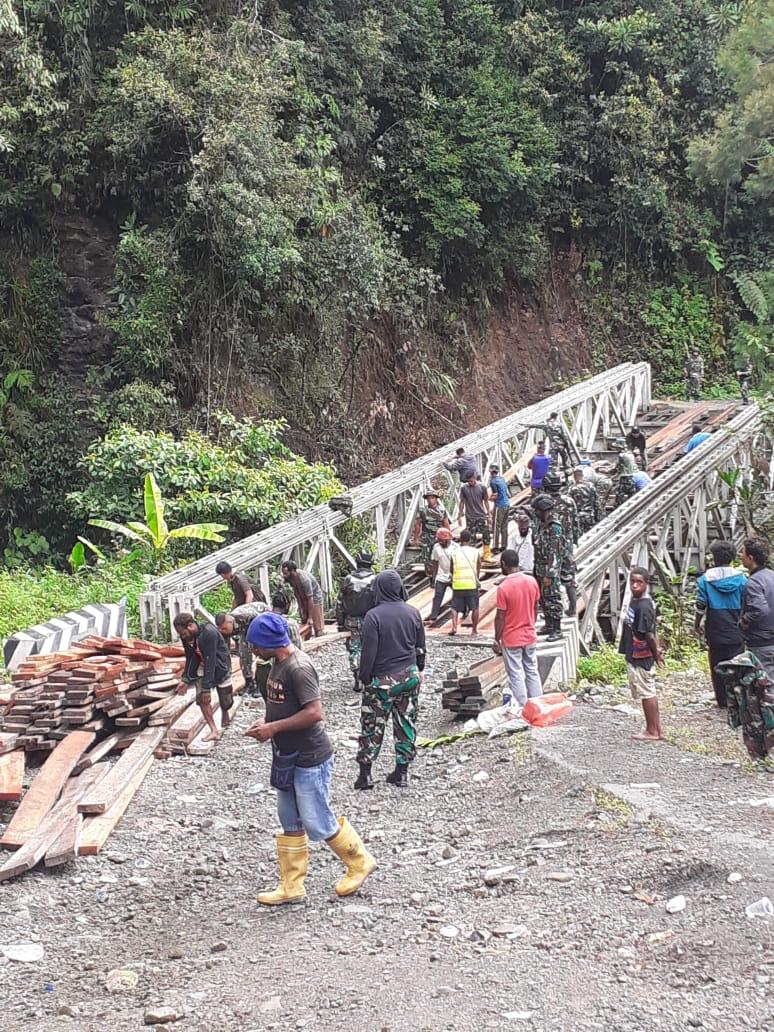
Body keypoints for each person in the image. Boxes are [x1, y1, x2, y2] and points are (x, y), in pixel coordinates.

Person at [244, 613, 375, 904]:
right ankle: (292, 886)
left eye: (256, 644)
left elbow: (315, 712)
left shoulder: (299, 667)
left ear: (270, 642)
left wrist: (273, 727)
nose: (252, 649)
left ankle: (359, 860)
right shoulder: (275, 664)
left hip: (309, 755)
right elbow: (283, 705)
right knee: (288, 817)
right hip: (286, 754)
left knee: (316, 820)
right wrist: (264, 721)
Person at [355, 571, 426, 790]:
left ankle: (365, 775)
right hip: (409, 676)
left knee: (372, 725)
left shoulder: (373, 616)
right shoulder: (413, 612)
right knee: (405, 722)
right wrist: (419, 669)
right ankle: (402, 772)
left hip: (382, 680)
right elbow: (420, 647)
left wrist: (364, 678)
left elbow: (368, 653)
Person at [694, 540, 747, 708]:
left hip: (715, 627)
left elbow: (701, 605)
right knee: (737, 663)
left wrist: (697, 624)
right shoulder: (742, 579)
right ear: (732, 558)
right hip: (736, 626)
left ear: (714, 558)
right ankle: (736, 698)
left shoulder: (705, 580)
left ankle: (722, 700)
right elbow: (746, 604)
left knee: (716, 663)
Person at [618, 567, 665, 741]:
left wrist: (657, 654)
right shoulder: (637, 600)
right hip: (635, 652)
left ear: (646, 584)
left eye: (640, 582)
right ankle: (655, 729)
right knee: (646, 690)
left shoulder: (644, 605)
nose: (635, 585)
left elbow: (650, 635)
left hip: (642, 655)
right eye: (632, 581)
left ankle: (652, 731)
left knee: (647, 691)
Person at [493, 549, 542, 711]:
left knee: (515, 673)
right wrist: (531, 624)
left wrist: (496, 638)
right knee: (532, 669)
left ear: (504, 565)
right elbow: (535, 607)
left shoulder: (504, 587)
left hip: (511, 637)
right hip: (529, 634)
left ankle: (523, 708)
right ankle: (538, 705)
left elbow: (500, 616)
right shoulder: (532, 581)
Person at [174, 612, 234, 742]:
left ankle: (225, 710)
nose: (182, 636)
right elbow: (190, 658)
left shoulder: (209, 632)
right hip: (202, 666)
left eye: (183, 633)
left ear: (190, 625)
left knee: (226, 700)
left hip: (220, 665)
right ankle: (213, 730)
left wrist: (207, 688)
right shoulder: (186, 638)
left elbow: (211, 660)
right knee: (202, 699)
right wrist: (185, 679)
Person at [535, 470, 579, 615]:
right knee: (568, 576)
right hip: (566, 545)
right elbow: (575, 522)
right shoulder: (569, 501)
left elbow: (537, 526)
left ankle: (551, 610)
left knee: (549, 578)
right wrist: (575, 539)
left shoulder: (543, 504)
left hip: (549, 546)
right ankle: (573, 607)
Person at [335, 551, 377, 691]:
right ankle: (369, 676)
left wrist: (340, 623)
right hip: (370, 619)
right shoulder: (374, 579)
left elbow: (339, 603)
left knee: (354, 648)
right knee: (371, 647)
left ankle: (357, 675)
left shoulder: (348, 579)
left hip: (351, 620)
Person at [215, 600, 267, 696]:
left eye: (225, 629)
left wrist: (256, 646)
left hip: (260, 620)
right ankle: (249, 682)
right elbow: (225, 652)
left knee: (261, 652)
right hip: (245, 627)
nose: (223, 631)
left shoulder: (245, 615)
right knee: (243, 654)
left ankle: (260, 683)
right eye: (221, 629)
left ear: (230, 622)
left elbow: (261, 626)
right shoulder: (225, 629)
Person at [739, 536, 774, 678]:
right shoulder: (771, 576)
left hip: (762, 641)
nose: (740, 556)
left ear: (751, 557)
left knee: (766, 685)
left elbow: (760, 609)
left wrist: (744, 621)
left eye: (742, 553)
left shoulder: (754, 582)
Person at [532, 496, 565, 641]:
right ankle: (548, 625)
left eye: (538, 510)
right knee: (543, 599)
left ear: (544, 510)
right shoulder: (541, 524)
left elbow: (554, 552)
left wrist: (549, 574)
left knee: (552, 599)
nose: (536, 513)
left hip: (548, 569)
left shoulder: (554, 527)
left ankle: (557, 629)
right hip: (539, 566)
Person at [449, 528, 481, 636]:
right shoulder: (475, 552)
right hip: (471, 584)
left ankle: (454, 627)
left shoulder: (454, 552)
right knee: (475, 607)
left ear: (460, 539)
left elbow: (451, 569)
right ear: (470, 540)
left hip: (458, 584)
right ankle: (474, 630)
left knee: (454, 607)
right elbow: (478, 568)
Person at [411, 491, 450, 575]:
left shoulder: (442, 511)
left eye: (432, 498)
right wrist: (416, 539)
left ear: (436, 499)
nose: (430, 500)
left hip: (439, 537)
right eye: (428, 498)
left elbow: (446, 524)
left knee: (440, 555)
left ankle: (439, 573)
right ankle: (429, 574)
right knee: (426, 556)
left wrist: (448, 536)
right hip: (426, 536)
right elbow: (417, 525)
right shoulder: (423, 511)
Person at [281, 560, 325, 637]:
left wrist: (310, 617)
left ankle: (319, 634)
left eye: (286, 573)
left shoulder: (304, 579)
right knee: (304, 620)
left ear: (292, 571)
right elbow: (297, 594)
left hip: (314, 597)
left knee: (316, 624)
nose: (284, 575)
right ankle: (307, 637)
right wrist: (301, 608)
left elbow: (310, 599)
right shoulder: (290, 579)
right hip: (303, 597)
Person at [458, 471, 492, 562]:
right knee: (471, 537)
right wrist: (459, 515)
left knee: (486, 535)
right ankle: (473, 556)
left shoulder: (482, 487)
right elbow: (462, 502)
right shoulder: (464, 488)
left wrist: (489, 514)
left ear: (475, 478)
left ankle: (487, 554)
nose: (470, 483)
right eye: (468, 481)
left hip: (481, 515)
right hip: (470, 516)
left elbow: (486, 501)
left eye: (471, 481)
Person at [528, 413, 572, 479]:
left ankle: (553, 478)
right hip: (561, 446)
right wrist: (568, 447)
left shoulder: (546, 425)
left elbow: (536, 425)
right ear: (556, 417)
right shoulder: (559, 425)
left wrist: (526, 425)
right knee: (565, 463)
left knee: (553, 464)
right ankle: (567, 478)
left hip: (553, 447)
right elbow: (564, 436)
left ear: (550, 416)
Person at [428, 527, 456, 623]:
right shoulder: (436, 548)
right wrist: (433, 577)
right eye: (439, 540)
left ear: (448, 539)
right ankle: (433, 616)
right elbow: (435, 562)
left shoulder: (456, 547)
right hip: (441, 576)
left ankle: (464, 612)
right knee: (437, 597)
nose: (440, 542)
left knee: (458, 597)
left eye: (442, 540)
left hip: (454, 576)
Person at [569, 466, 600, 535]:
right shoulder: (591, 485)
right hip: (590, 515)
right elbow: (596, 502)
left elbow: (570, 504)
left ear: (574, 476)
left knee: (581, 538)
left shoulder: (572, 488)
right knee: (591, 535)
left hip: (579, 516)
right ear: (582, 475)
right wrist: (597, 516)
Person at [488, 465, 511, 553]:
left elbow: (496, 495)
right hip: (507, 504)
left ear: (490, 473)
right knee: (504, 526)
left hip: (500, 505)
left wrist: (489, 499)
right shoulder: (502, 479)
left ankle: (495, 547)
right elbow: (507, 494)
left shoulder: (493, 482)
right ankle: (504, 545)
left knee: (496, 527)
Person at [507, 509, 535, 574]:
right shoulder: (514, 536)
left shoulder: (533, 535)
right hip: (518, 570)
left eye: (524, 529)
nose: (523, 531)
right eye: (521, 528)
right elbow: (510, 552)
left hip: (531, 569)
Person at [612, 438, 637, 506]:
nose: (616, 449)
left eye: (617, 448)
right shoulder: (631, 454)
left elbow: (617, 468)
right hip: (632, 478)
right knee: (632, 498)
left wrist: (611, 474)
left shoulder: (621, 455)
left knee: (619, 498)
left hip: (624, 479)